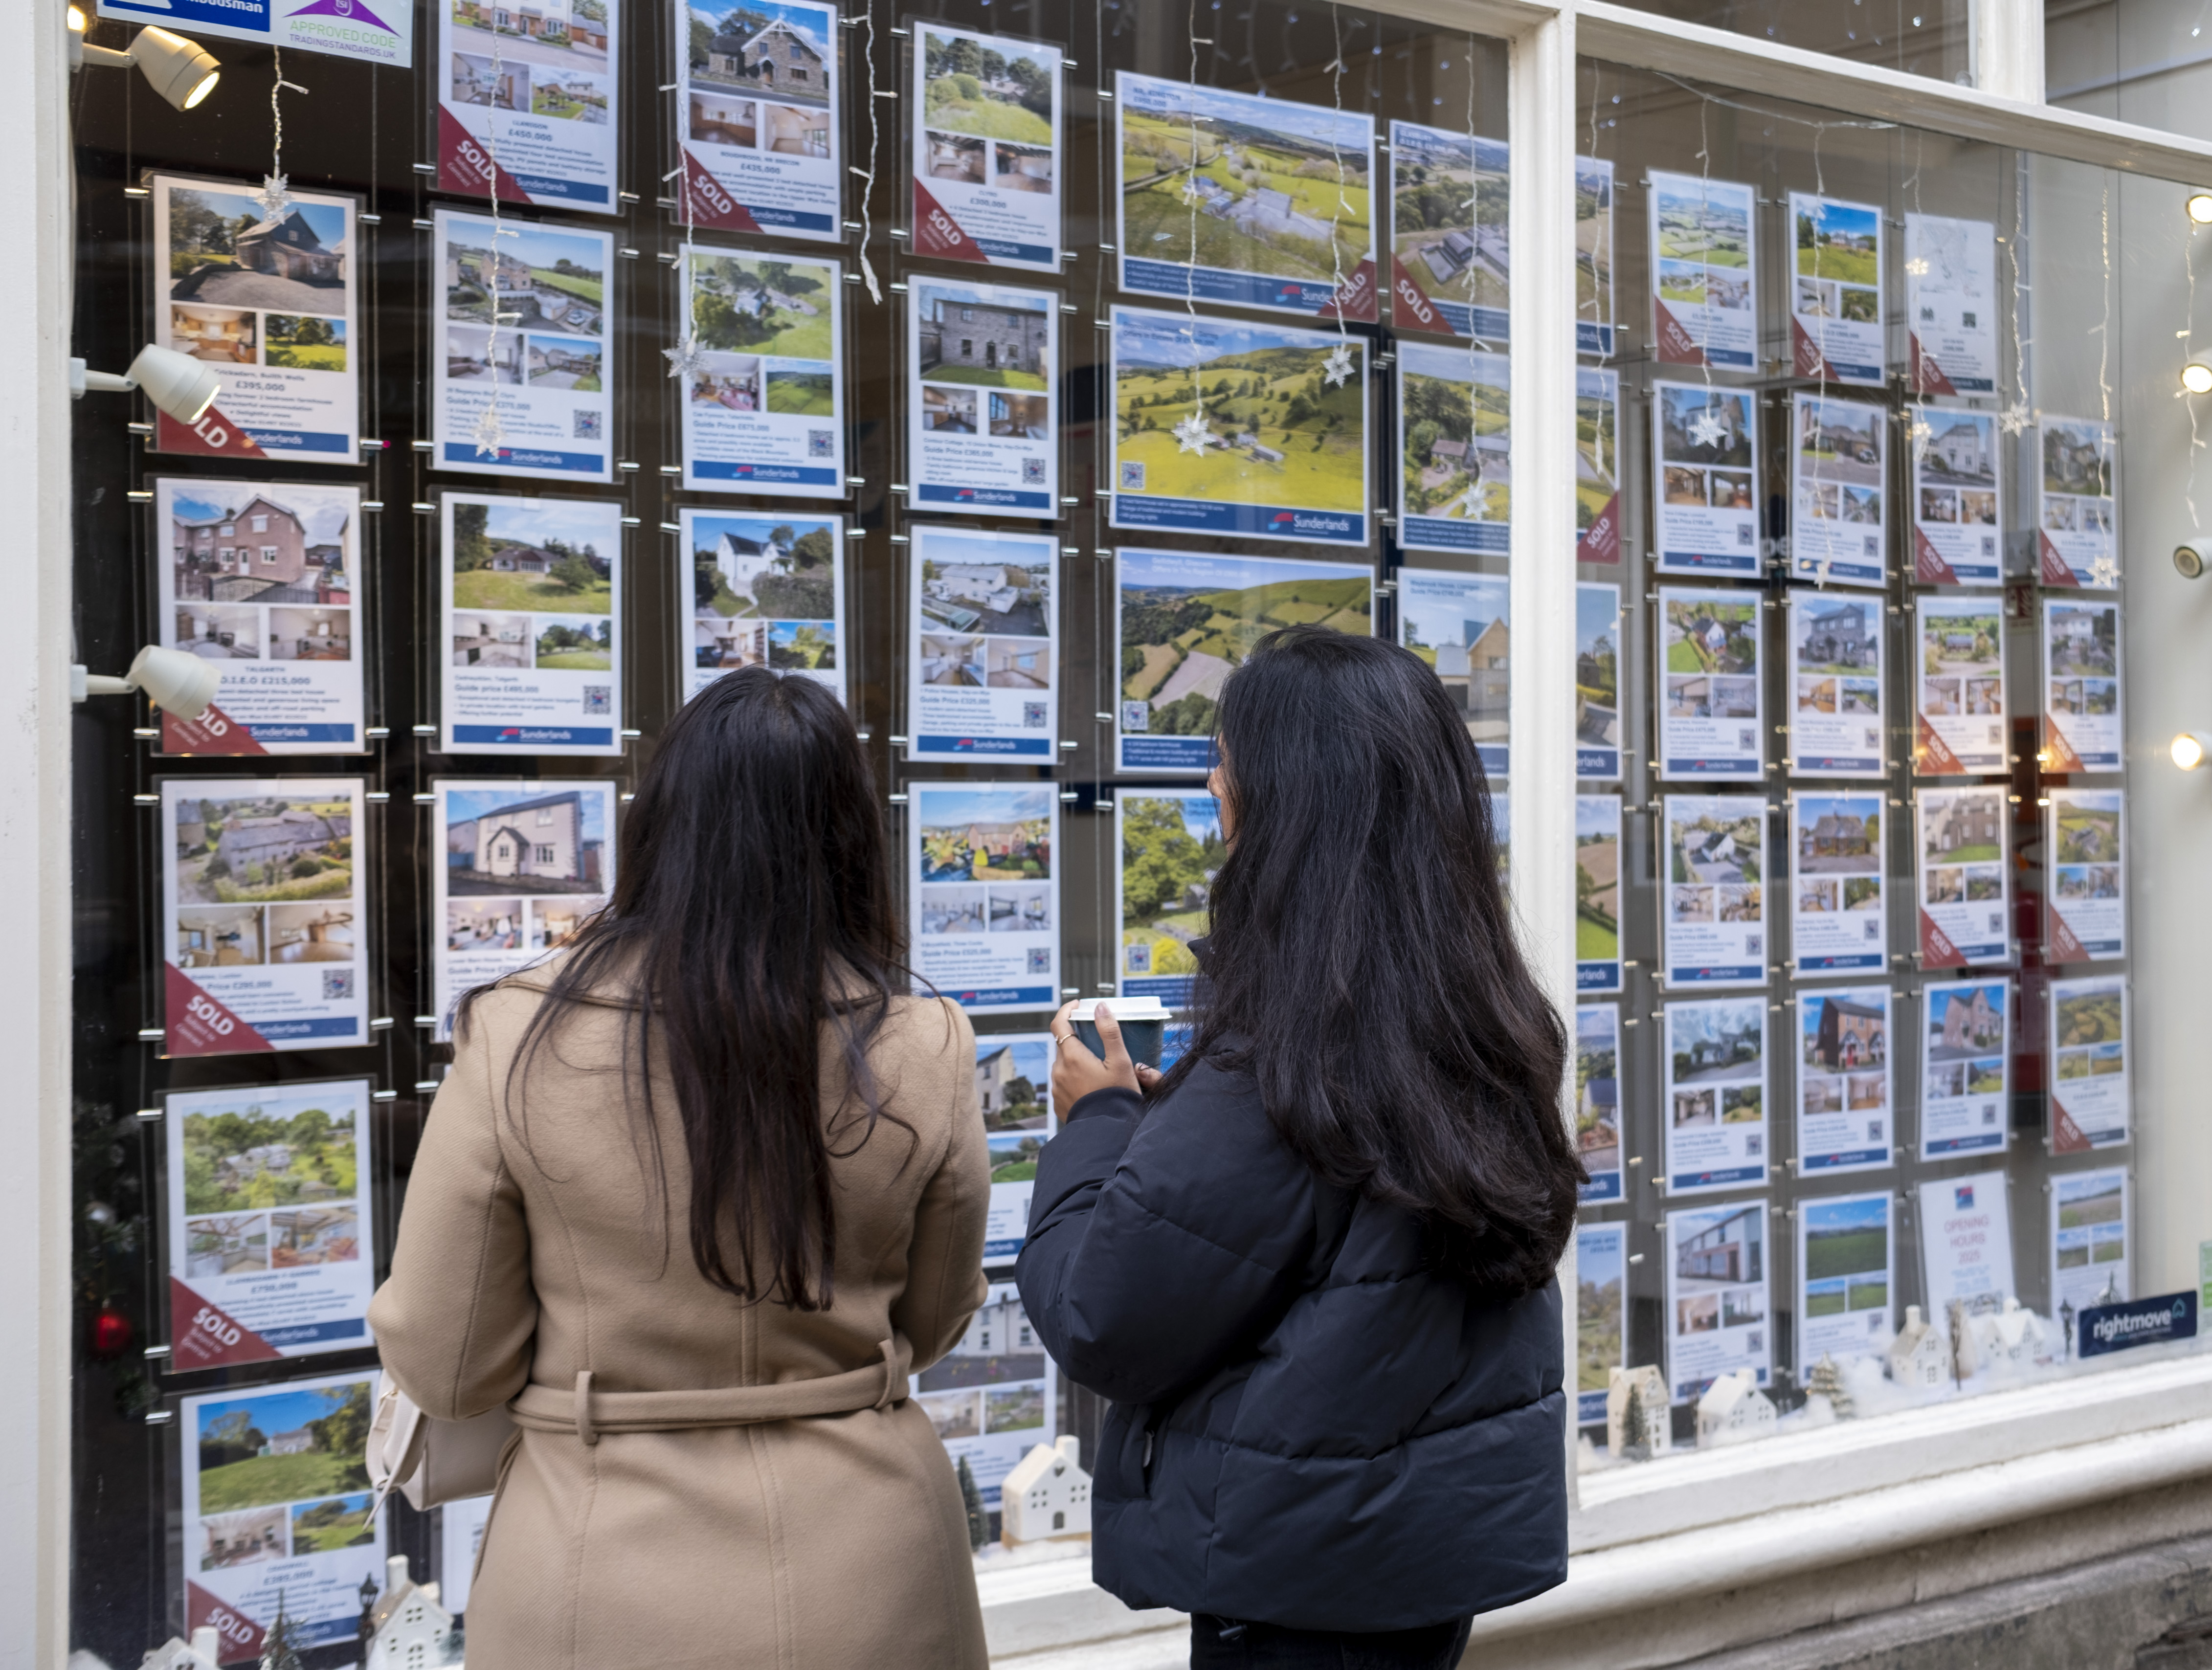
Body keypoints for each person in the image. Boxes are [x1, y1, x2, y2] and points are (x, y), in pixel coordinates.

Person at [370, 667, 992, 1670]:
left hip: (594, 1568)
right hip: (875, 1570)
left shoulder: (517, 1033)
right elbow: (928, 1324)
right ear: (852, 838)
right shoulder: (926, 1040)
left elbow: (451, 1361)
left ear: (658, 822)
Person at [1017, 625, 1582, 1669]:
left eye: (1225, 765)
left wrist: (1096, 1125)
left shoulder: (1288, 1060)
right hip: (1410, 1568)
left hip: (1297, 1590)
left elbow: (1104, 1313)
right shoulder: (1480, 1022)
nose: (1213, 788)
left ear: (1285, 804)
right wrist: (1174, 1112)